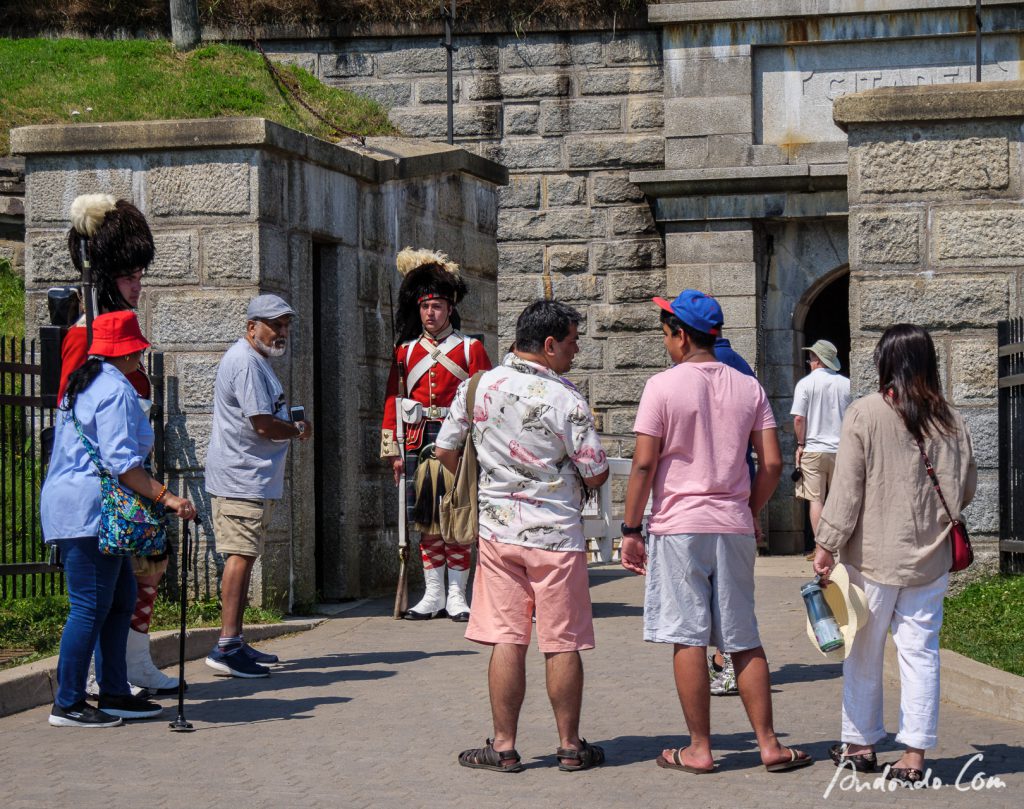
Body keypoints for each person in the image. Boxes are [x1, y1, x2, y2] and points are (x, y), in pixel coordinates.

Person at [620, 289, 813, 774]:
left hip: (679, 526)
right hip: (732, 525)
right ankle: (769, 744)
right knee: (742, 635)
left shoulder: (661, 387)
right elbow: (771, 462)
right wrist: (748, 508)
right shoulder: (749, 387)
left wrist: (629, 527)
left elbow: (644, 464)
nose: (666, 342)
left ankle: (700, 749)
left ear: (682, 337)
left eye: (667, 333)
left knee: (688, 637)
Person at [435, 300, 609, 773]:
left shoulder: (478, 386)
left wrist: (493, 481)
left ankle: (504, 745)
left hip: (497, 534)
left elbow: (447, 451)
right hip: (557, 538)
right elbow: (595, 473)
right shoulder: (567, 400)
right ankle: (570, 746)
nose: (575, 352)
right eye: (572, 343)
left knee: (506, 639)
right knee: (562, 641)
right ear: (549, 346)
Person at [813, 324, 976, 786]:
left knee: (863, 650)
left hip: (874, 557)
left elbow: (846, 492)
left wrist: (826, 545)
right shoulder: (952, 420)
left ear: (886, 361)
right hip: (930, 559)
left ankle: (861, 746)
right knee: (920, 653)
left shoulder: (865, 413)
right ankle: (913, 755)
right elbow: (966, 489)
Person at [41, 310, 197, 727]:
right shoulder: (115, 390)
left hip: (82, 507)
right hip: (91, 511)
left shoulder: (86, 383)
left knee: (121, 599)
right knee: (90, 605)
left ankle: (113, 690)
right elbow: (122, 464)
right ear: (130, 351)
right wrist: (169, 498)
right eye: (139, 348)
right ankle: (69, 701)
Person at [60, 193, 177, 693]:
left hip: (129, 477)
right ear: (108, 279)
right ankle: (95, 680)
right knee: (106, 595)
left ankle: (134, 662)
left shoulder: (121, 332)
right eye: (129, 276)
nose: (137, 284)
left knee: (142, 577)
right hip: (106, 482)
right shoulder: (83, 336)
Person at [204, 294, 313, 678]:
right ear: (252, 328)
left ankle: (233, 639)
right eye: (274, 325)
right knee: (239, 556)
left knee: (245, 555)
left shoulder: (258, 361)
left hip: (251, 477)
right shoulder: (247, 362)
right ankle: (225, 647)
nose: (281, 333)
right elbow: (263, 423)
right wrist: (297, 430)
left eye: (285, 326)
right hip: (240, 478)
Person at [380, 248, 491, 622]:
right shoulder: (405, 352)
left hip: (457, 440)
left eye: (438, 306)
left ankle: (458, 594)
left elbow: (485, 400)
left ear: (450, 307)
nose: (431, 313)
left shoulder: (470, 349)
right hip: (416, 438)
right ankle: (433, 594)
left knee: (456, 516)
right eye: (426, 306)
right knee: (427, 519)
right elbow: (392, 400)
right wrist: (395, 450)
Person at [705, 332, 759, 698]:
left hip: (699, 501)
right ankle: (726, 662)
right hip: (737, 494)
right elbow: (767, 455)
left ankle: (726, 665)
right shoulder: (744, 371)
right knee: (732, 591)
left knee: (715, 593)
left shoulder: (696, 371)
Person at [791, 339, 851, 551]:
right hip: (842, 451)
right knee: (840, 500)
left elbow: (799, 418)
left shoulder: (805, 384)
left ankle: (821, 548)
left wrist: (800, 444)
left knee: (816, 500)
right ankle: (840, 547)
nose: (809, 362)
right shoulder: (847, 384)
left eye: (811, 358)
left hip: (814, 449)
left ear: (817, 360)